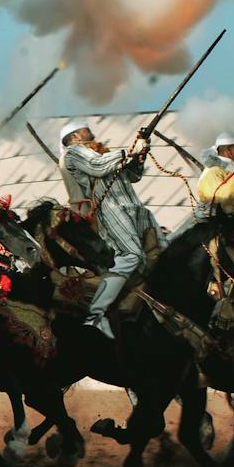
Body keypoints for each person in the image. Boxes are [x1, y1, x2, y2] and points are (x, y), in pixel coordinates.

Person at [59, 120, 159, 339]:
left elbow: (133, 176)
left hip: (135, 209)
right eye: (86, 130)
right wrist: (128, 151)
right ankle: (96, 314)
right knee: (131, 256)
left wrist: (139, 156)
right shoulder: (73, 153)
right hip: (111, 209)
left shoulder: (101, 153)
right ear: (75, 137)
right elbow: (99, 166)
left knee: (158, 254)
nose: (92, 132)